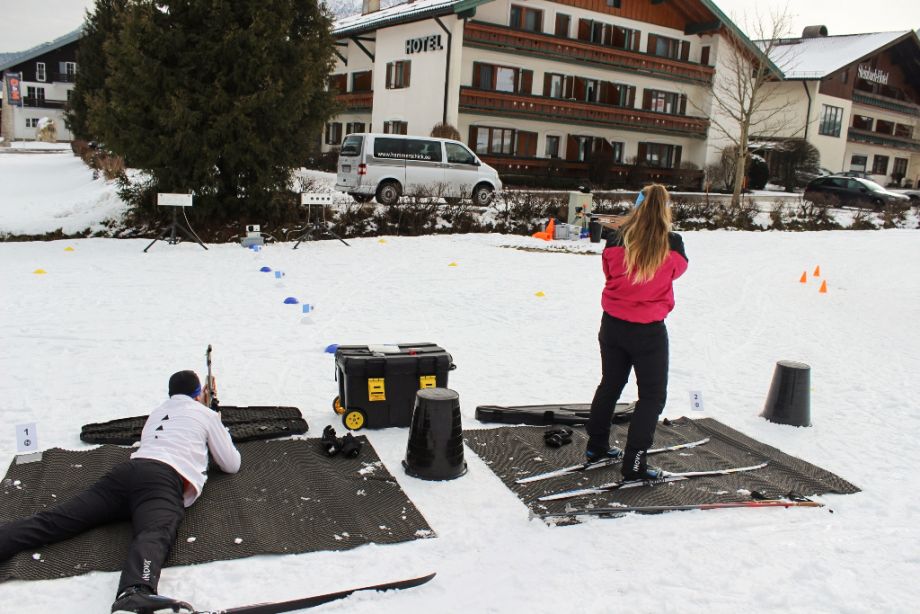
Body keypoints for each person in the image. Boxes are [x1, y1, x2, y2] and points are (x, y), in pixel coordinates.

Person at [0, 370, 241, 614]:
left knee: (59, 520)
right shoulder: (206, 415)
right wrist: (219, 426)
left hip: (127, 473)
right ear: (198, 395)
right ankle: (134, 592)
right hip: (163, 479)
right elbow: (231, 464)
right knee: (153, 533)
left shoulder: (157, 413)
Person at [584, 183, 688, 480]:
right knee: (652, 398)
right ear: (665, 211)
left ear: (637, 207)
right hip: (648, 333)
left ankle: (597, 447)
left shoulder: (616, 238)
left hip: (613, 325)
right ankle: (634, 464)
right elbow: (677, 272)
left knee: (610, 385)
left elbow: (609, 271)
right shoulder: (673, 244)